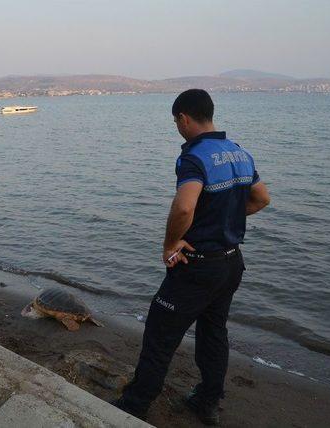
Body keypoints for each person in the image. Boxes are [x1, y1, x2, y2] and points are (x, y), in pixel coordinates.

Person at [112, 89, 270, 425]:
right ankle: (208, 402)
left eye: (176, 122)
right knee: (214, 333)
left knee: (160, 333)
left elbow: (184, 206)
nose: (177, 128)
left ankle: (135, 405)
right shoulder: (238, 152)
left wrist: (170, 245)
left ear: (184, 118)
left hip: (197, 267)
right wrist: (226, 219)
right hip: (230, 264)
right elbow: (261, 199)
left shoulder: (194, 158)